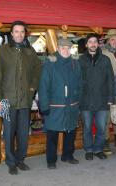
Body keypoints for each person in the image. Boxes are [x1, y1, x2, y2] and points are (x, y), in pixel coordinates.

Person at [0, 21, 41, 175]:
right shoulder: (3, 51)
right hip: (6, 100)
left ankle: (20, 159)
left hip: (25, 100)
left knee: (23, 133)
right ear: (11, 34)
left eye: (22, 32)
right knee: (9, 133)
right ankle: (11, 162)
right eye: (16, 31)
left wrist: (32, 88)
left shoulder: (30, 51)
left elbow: (37, 71)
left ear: (25, 33)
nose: (19, 34)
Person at [38, 38, 82, 169]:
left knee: (70, 132)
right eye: (63, 48)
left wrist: (79, 101)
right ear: (58, 48)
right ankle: (51, 160)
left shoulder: (75, 64)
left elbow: (80, 84)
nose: (66, 51)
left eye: (68, 48)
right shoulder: (50, 64)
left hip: (72, 105)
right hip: (55, 106)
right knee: (52, 135)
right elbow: (43, 86)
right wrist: (44, 106)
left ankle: (67, 155)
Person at [79, 33, 114, 160]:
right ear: (86, 44)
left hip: (102, 100)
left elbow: (110, 80)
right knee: (87, 127)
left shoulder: (105, 60)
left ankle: (98, 149)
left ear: (98, 44)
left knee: (101, 127)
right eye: (90, 42)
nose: (93, 44)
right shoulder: (80, 60)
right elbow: (77, 81)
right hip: (85, 101)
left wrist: (111, 98)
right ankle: (88, 149)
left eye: (95, 41)